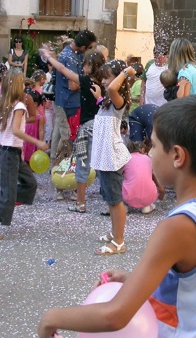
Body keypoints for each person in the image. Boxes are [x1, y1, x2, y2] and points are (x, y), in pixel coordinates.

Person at [37, 95, 196, 337]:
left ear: (177, 156)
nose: (150, 154)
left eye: (153, 145)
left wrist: (51, 318)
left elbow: (115, 315)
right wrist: (131, 279)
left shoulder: (178, 227)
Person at [0, 69, 49, 241]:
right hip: (9, 152)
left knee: (30, 183)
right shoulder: (18, 106)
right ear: (18, 85)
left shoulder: (5, 102)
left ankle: (4, 205)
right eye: (22, 83)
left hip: (12, 152)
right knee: (7, 195)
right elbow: (16, 130)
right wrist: (37, 142)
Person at [42, 48, 105, 212]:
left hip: (86, 128)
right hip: (102, 127)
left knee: (82, 165)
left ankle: (81, 203)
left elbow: (63, 70)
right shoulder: (106, 83)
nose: (82, 68)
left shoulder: (85, 81)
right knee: (103, 165)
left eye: (84, 65)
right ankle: (109, 202)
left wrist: (50, 58)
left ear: (90, 66)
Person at [89, 60, 133, 255]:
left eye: (107, 77)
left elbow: (114, 88)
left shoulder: (118, 100)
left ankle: (119, 241)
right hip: (104, 157)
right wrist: (99, 98)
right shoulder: (107, 102)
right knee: (109, 197)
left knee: (115, 201)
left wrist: (126, 72)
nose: (105, 81)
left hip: (112, 157)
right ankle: (115, 232)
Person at [51, 30, 97, 168]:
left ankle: (56, 164)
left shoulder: (70, 52)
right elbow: (73, 85)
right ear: (83, 47)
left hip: (64, 101)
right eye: (89, 48)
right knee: (66, 136)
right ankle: (60, 165)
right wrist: (87, 81)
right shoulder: (70, 58)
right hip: (68, 103)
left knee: (59, 131)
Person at [121, 141, 160, 214]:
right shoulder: (148, 159)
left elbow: (121, 175)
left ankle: (125, 205)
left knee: (123, 181)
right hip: (149, 195)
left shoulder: (125, 160)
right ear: (142, 149)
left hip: (129, 196)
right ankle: (146, 207)